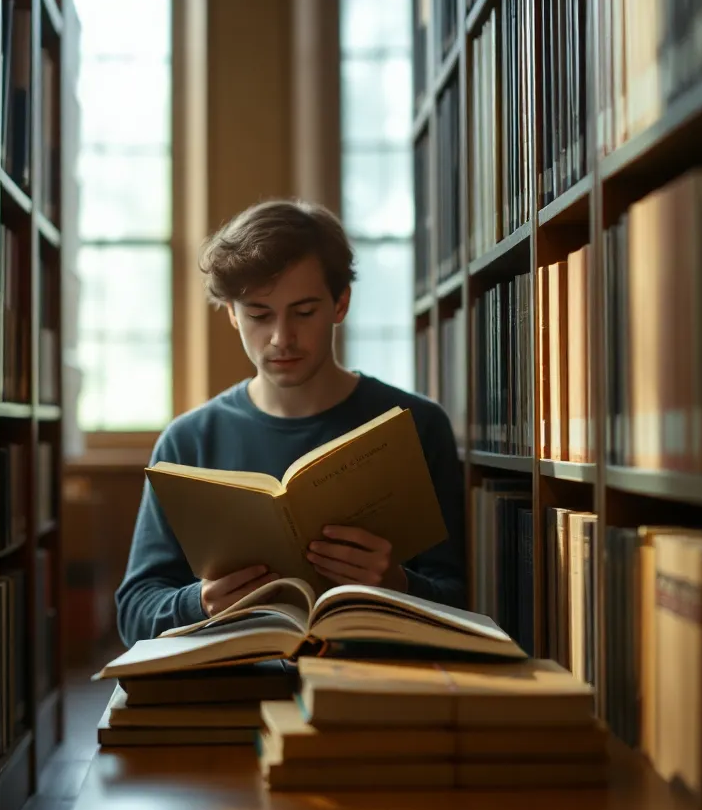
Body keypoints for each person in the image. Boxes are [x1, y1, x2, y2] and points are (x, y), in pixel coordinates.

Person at [116, 199, 466, 646]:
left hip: (372, 688)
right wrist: (200, 603)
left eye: (304, 312)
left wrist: (397, 584)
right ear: (231, 314)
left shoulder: (417, 426)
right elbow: (134, 613)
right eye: (259, 315)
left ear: (341, 304)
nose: (282, 338)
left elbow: (461, 601)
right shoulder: (187, 441)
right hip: (235, 689)